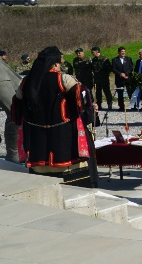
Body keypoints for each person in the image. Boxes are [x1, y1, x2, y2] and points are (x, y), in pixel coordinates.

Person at [11, 46, 98, 187]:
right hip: (63, 133)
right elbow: (81, 98)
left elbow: (17, 103)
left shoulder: (27, 81)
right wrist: (88, 114)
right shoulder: (63, 79)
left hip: (36, 135)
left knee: (40, 164)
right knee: (67, 167)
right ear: (55, 64)